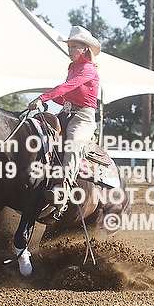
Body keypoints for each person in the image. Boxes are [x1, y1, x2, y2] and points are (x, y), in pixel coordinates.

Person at [28, 25, 100, 216]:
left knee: (73, 143)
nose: (70, 50)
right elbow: (66, 95)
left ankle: (63, 190)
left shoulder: (89, 69)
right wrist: (52, 98)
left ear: (85, 48)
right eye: (69, 46)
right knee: (38, 132)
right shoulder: (72, 67)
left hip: (83, 117)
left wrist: (43, 97)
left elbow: (68, 86)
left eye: (74, 46)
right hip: (66, 113)